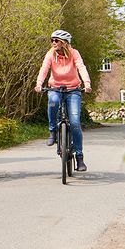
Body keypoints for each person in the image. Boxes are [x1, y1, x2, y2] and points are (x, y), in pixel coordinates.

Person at [33, 29, 92, 172]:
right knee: (52, 102)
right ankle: (53, 131)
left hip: (73, 90)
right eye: (52, 40)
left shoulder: (74, 53)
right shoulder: (50, 54)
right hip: (55, 89)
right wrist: (39, 84)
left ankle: (79, 157)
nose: (53, 43)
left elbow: (81, 67)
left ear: (64, 42)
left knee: (75, 123)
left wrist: (87, 83)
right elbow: (44, 69)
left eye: (56, 40)